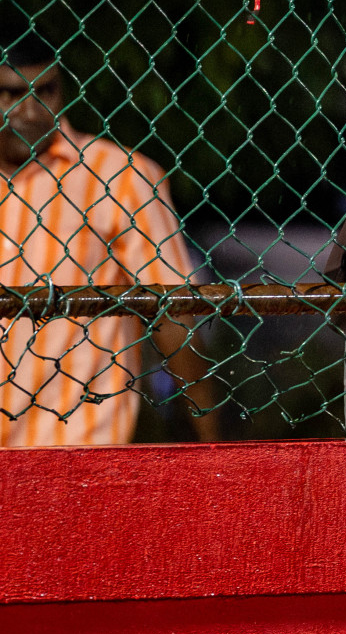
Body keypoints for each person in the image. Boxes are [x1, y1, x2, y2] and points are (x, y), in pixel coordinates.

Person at [0, 28, 219, 446]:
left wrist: (212, 446)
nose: (29, 110)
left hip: (77, 449)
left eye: (44, 91)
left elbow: (174, 317)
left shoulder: (119, 177)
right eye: (10, 94)